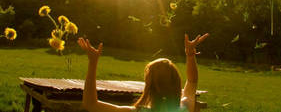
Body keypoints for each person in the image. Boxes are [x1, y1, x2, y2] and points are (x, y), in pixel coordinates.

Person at [77, 33, 209, 112]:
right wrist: (190, 55)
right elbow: (192, 81)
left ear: (148, 86)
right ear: (176, 83)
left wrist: (93, 62)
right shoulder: (184, 107)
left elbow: (90, 104)